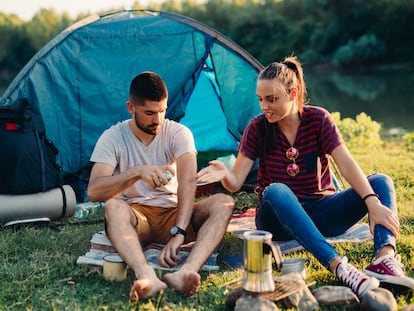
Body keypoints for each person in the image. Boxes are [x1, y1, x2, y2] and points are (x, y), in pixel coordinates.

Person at [196, 56, 414, 298]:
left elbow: (347, 165)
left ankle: (383, 260)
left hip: (322, 212)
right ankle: (339, 267)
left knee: (381, 181)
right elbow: (235, 183)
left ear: (293, 92)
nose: (264, 106)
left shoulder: (319, 119)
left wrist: (372, 203)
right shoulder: (256, 128)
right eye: (260, 99)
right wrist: (225, 174)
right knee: (276, 190)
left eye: (272, 99)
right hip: (277, 219)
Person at [87, 71, 234, 301]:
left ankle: (187, 271)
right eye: (149, 113)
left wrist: (179, 232)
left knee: (224, 202)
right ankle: (145, 275)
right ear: (131, 107)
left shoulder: (178, 133)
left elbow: (187, 182)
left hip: (173, 215)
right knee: (113, 206)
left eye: (162, 111)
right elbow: (94, 191)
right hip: (136, 219)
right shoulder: (113, 137)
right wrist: (136, 173)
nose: (157, 120)